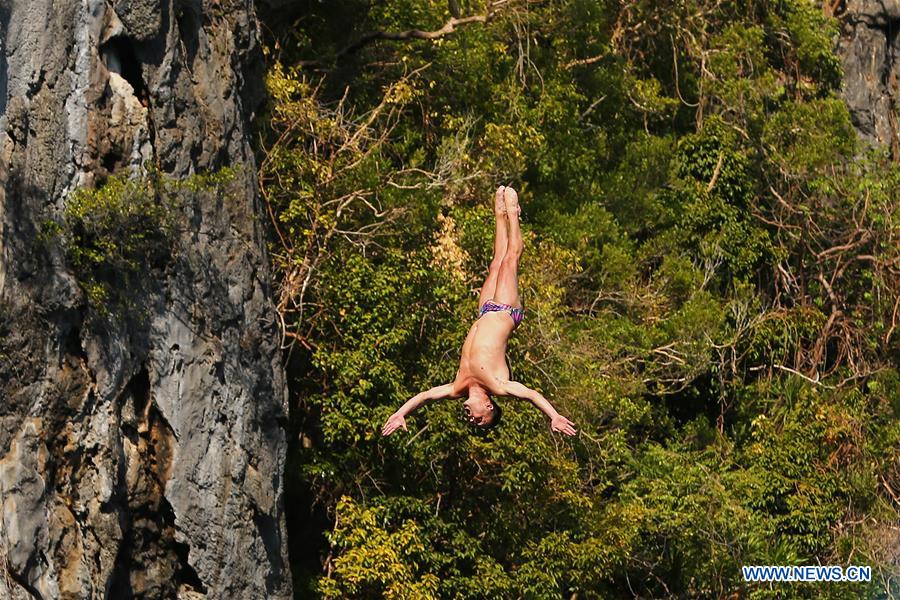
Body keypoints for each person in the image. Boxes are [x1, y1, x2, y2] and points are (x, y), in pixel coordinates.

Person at [382, 186, 577, 437]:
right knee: (510, 259)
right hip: (506, 311)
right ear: (489, 406)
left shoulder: (455, 388)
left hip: (485, 311)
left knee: (496, 261)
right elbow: (530, 394)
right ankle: (514, 215)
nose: (472, 420)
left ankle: (499, 214)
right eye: (480, 420)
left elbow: (425, 396)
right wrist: (554, 415)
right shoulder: (499, 385)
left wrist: (401, 413)